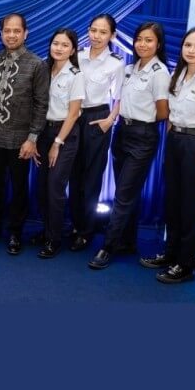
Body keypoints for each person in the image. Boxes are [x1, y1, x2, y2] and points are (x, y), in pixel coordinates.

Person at [139, 27, 195, 283]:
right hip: (175, 140)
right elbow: (168, 115)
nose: (191, 50)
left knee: (189, 207)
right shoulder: (178, 75)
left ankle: (185, 266)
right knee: (172, 204)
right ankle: (170, 254)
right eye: (188, 45)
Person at [88, 21, 170, 270]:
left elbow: (163, 111)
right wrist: (115, 119)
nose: (142, 44)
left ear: (158, 44)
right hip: (122, 131)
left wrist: (141, 120)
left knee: (123, 195)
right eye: (139, 39)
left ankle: (107, 247)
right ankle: (127, 242)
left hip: (143, 135)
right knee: (126, 192)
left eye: (149, 40)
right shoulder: (129, 68)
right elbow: (120, 100)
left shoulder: (160, 72)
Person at [0, 13, 49, 255]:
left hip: (21, 141)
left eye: (17, 31)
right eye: (7, 31)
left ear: (25, 34)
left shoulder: (37, 64)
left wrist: (32, 138)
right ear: (1, 34)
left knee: (18, 189)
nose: (12, 35)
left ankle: (16, 232)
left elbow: (41, 104)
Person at [68, 14, 124, 251]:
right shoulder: (77, 56)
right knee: (73, 174)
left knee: (91, 179)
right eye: (93, 30)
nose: (96, 36)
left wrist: (110, 120)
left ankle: (85, 230)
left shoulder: (116, 62)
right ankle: (73, 224)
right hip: (73, 116)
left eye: (103, 32)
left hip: (97, 117)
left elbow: (121, 96)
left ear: (112, 36)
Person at [32, 28, 84, 258]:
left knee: (55, 187)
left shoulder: (76, 75)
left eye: (65, 45)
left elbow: (73, 114)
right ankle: (46, 230)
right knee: (42, 187)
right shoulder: (44, 69)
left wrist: (57, 143)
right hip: (43, 133)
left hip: (64, 135)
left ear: (72, 49)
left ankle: (54, 239)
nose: (59, 48)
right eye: (56, 43)